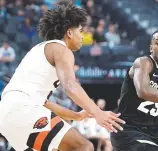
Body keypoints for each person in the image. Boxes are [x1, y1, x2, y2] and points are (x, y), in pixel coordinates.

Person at [0, 3, 125, 151]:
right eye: (80, 30)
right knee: (83, 147)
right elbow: (70, 86)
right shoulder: (61, 48)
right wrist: (98, 112)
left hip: (7, 114)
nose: (81, 36)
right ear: (69, 33)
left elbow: (43, 102)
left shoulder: (39, 49)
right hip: (23, 108)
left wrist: (75, 116)